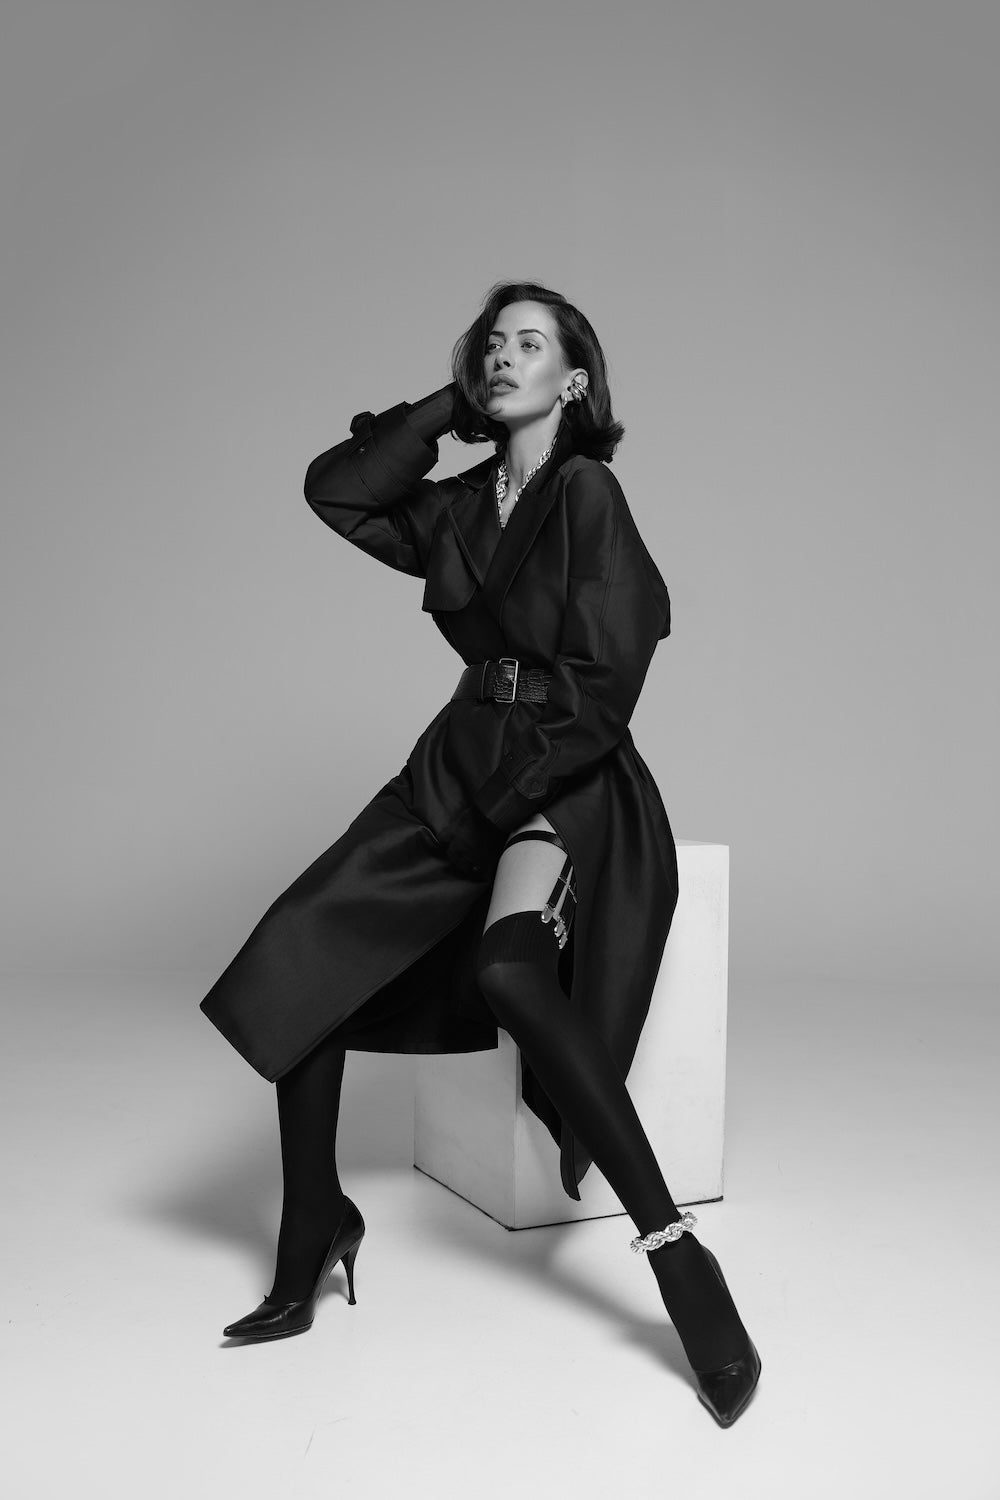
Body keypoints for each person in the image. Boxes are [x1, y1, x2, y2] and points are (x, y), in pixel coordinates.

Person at [200, 281, 761, 1427]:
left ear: (574, 379)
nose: (505, 357)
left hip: (568, 773)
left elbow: (605, 681)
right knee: (301, 957)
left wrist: (506, 796)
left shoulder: (588, 493)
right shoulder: (460, 507)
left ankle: (673, 1251)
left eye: (530, 344)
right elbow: (336, 491)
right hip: (454, 766)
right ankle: (314, 1223)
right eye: (491, 345)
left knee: (509, 967)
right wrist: (438, 412)